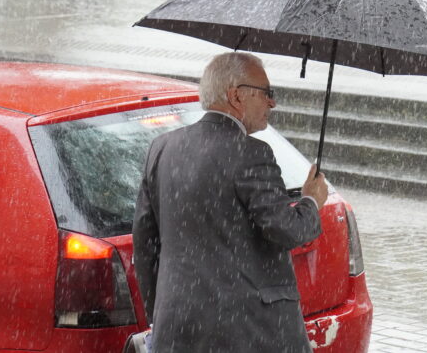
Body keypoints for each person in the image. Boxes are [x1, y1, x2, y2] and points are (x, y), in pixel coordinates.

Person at [133, 52, 328, 353]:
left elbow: (145, 244)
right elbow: (286, 230)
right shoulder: (251, 152)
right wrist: (311, 201)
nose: (272, 103)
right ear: (237, 96)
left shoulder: (163, 147)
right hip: (247, 332)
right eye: (267, 93)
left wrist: (160, 314)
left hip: (177, 327)